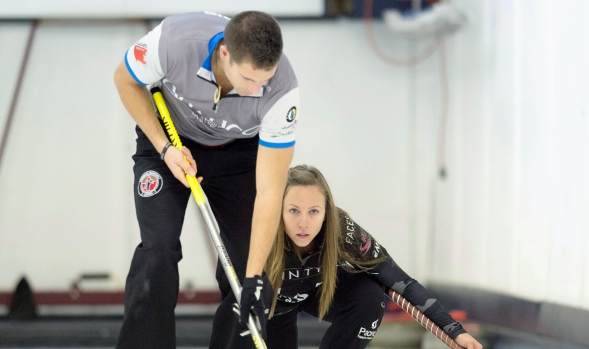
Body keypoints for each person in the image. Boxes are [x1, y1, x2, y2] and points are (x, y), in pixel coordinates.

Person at [113, 10, 299, 349]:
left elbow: (271, 191)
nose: (257, 89)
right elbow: (125, 80)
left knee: (250, 274)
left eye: (264, 79)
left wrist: (255, 278)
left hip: (240, 156)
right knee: (158, 251)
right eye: (248, 79)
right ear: (225, 54)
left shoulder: (282, 88)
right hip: (169, 142)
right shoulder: (174, 41)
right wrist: (166, 148)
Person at [264, 165, 483, 349]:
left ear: (326, 212)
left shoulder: (341, 230)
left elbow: (401, 282)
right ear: (279, 209)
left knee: (370, 296)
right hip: (271, 303)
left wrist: (456, 332)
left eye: (313, 211)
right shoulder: (260, 230)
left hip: (319, 291)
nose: (303, 223)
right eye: (293, 211)